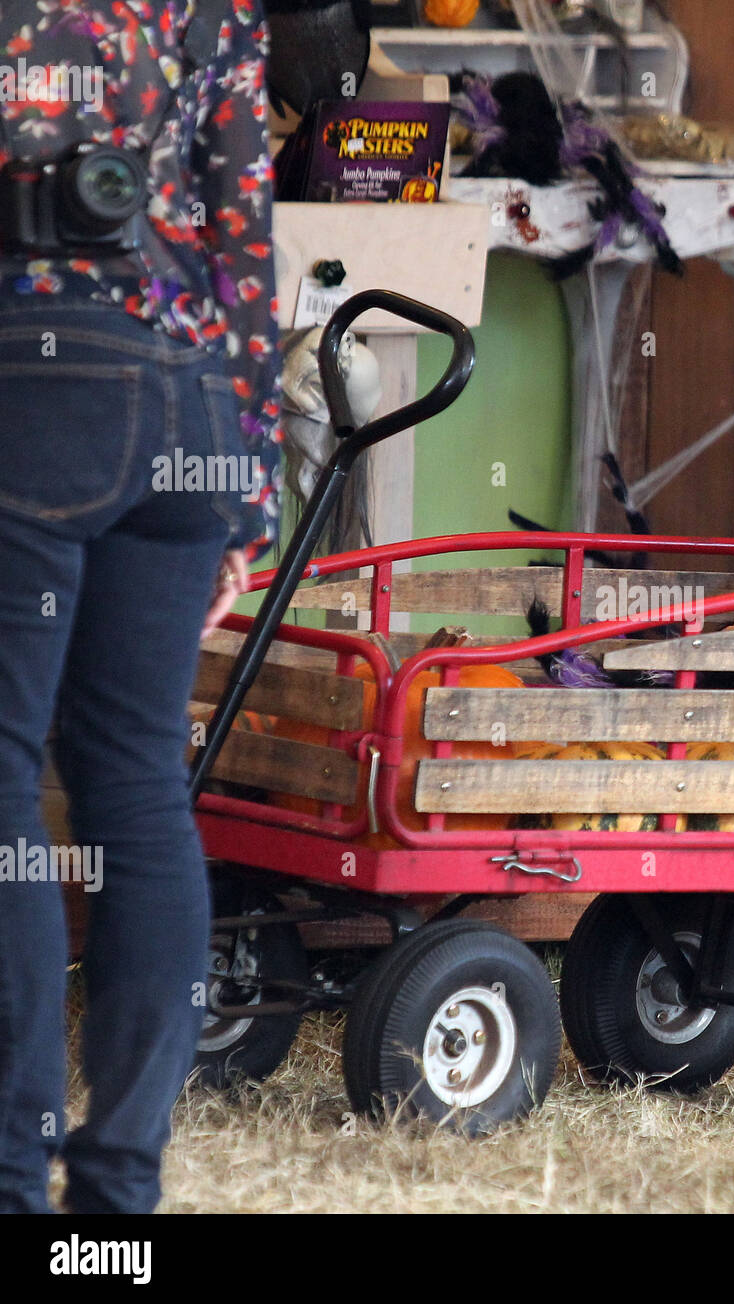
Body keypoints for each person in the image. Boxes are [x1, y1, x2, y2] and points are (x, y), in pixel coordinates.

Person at [0, 0, 281, 1213]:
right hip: (188, 394)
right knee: (135, 785)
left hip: (32, 376)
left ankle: (12, 1181)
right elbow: (244, 229)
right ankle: (114, 1201)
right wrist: (253, 487)